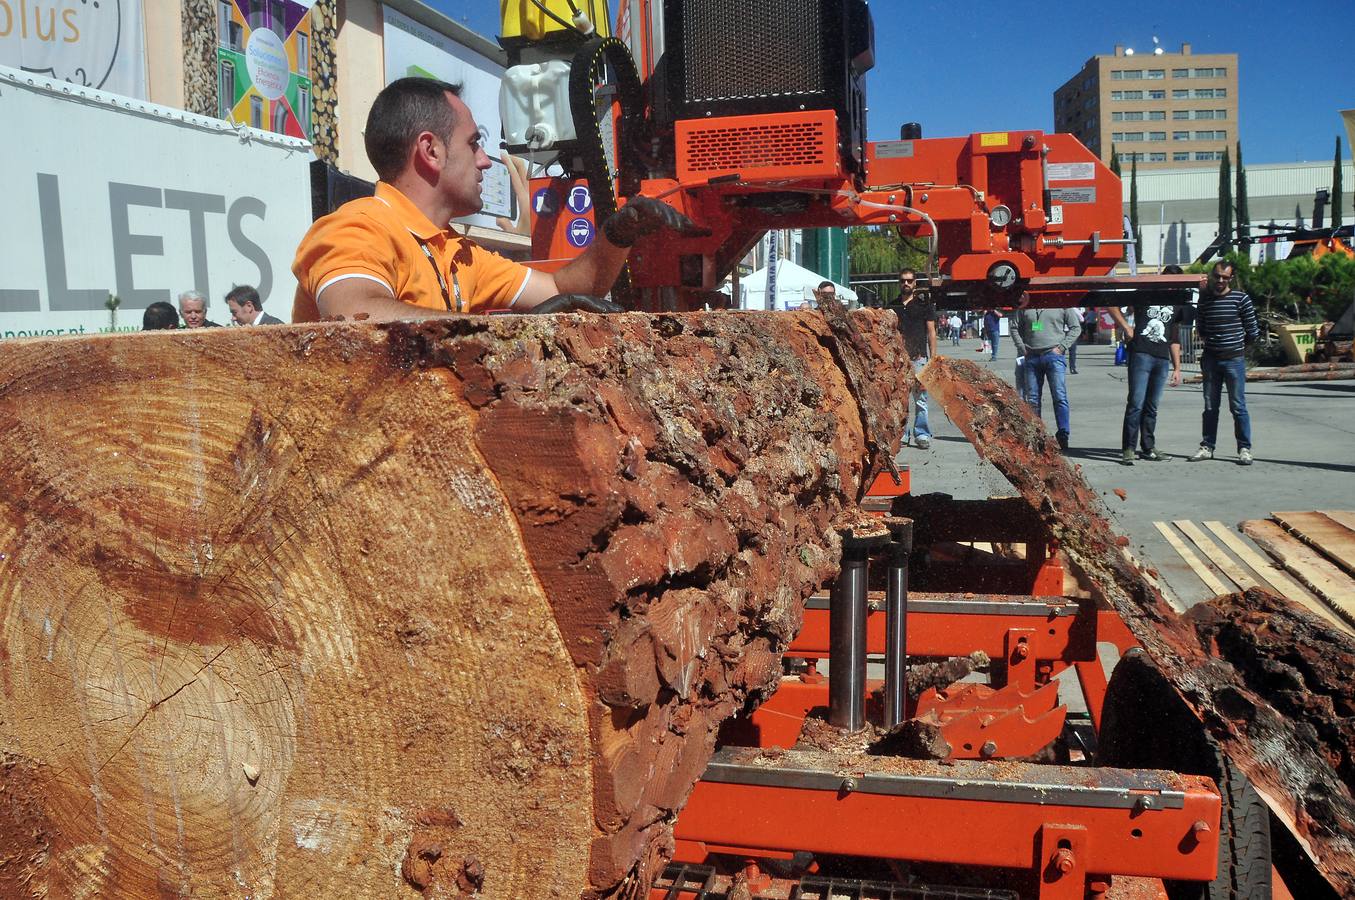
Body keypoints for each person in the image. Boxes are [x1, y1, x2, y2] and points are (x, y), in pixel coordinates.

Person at [292, 78, 703, 322]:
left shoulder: (458, 253)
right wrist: (496, 335)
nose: (486, 161)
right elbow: (351, 318)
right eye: (474, 144)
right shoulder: (358, 226)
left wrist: (617, 235)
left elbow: (564, 289)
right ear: (430, 150)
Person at [1188, 260, 1259, 465]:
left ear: (1231, 278)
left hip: (1234, 360)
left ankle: (1244, 448)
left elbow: (1252, 331)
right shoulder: (1205, 300)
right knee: (1210, 406)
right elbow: (1200, 327)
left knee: (1238, 406)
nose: (1220, 280)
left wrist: (1238, 348)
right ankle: (1207, 446)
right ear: (1212, 274)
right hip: (1211, 360)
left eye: (1225, 277)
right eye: (1217, 276)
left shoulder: (1241, 299)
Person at [1107, 298, 1185, 465]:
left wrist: (1177, 368)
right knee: (1136, 403)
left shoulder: (1178, 304)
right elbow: (1111, 304)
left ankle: (1148, 447)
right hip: (1141, 354)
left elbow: (1174, 336)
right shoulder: (1147, 294)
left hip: (1162, 359)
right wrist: (1126, 326)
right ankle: (1128, 448)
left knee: (1152, 406)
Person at [1008, 295, 1081, 451]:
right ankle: (1037, 435)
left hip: (1054, 356)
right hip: (1031, 357)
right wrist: (1022, 348)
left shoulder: (1062, 303)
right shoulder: (1025, 304)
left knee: (1059, 396)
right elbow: (1013, 326)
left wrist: (1062, 347)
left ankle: (1063, 434)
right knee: (1033, 399)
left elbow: (1076, 327)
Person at [888, 268, 937, 449]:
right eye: (903, 280)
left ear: (915, 282)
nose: (906, 284)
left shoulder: (924, 305)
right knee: (901, 399)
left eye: (909, 280)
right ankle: (902, 434)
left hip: (919, 358)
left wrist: (933, 358)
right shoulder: (892, 306)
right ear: (899, 283)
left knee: (921, 399)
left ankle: (922, 433)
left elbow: (931, 332)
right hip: (898, 361)